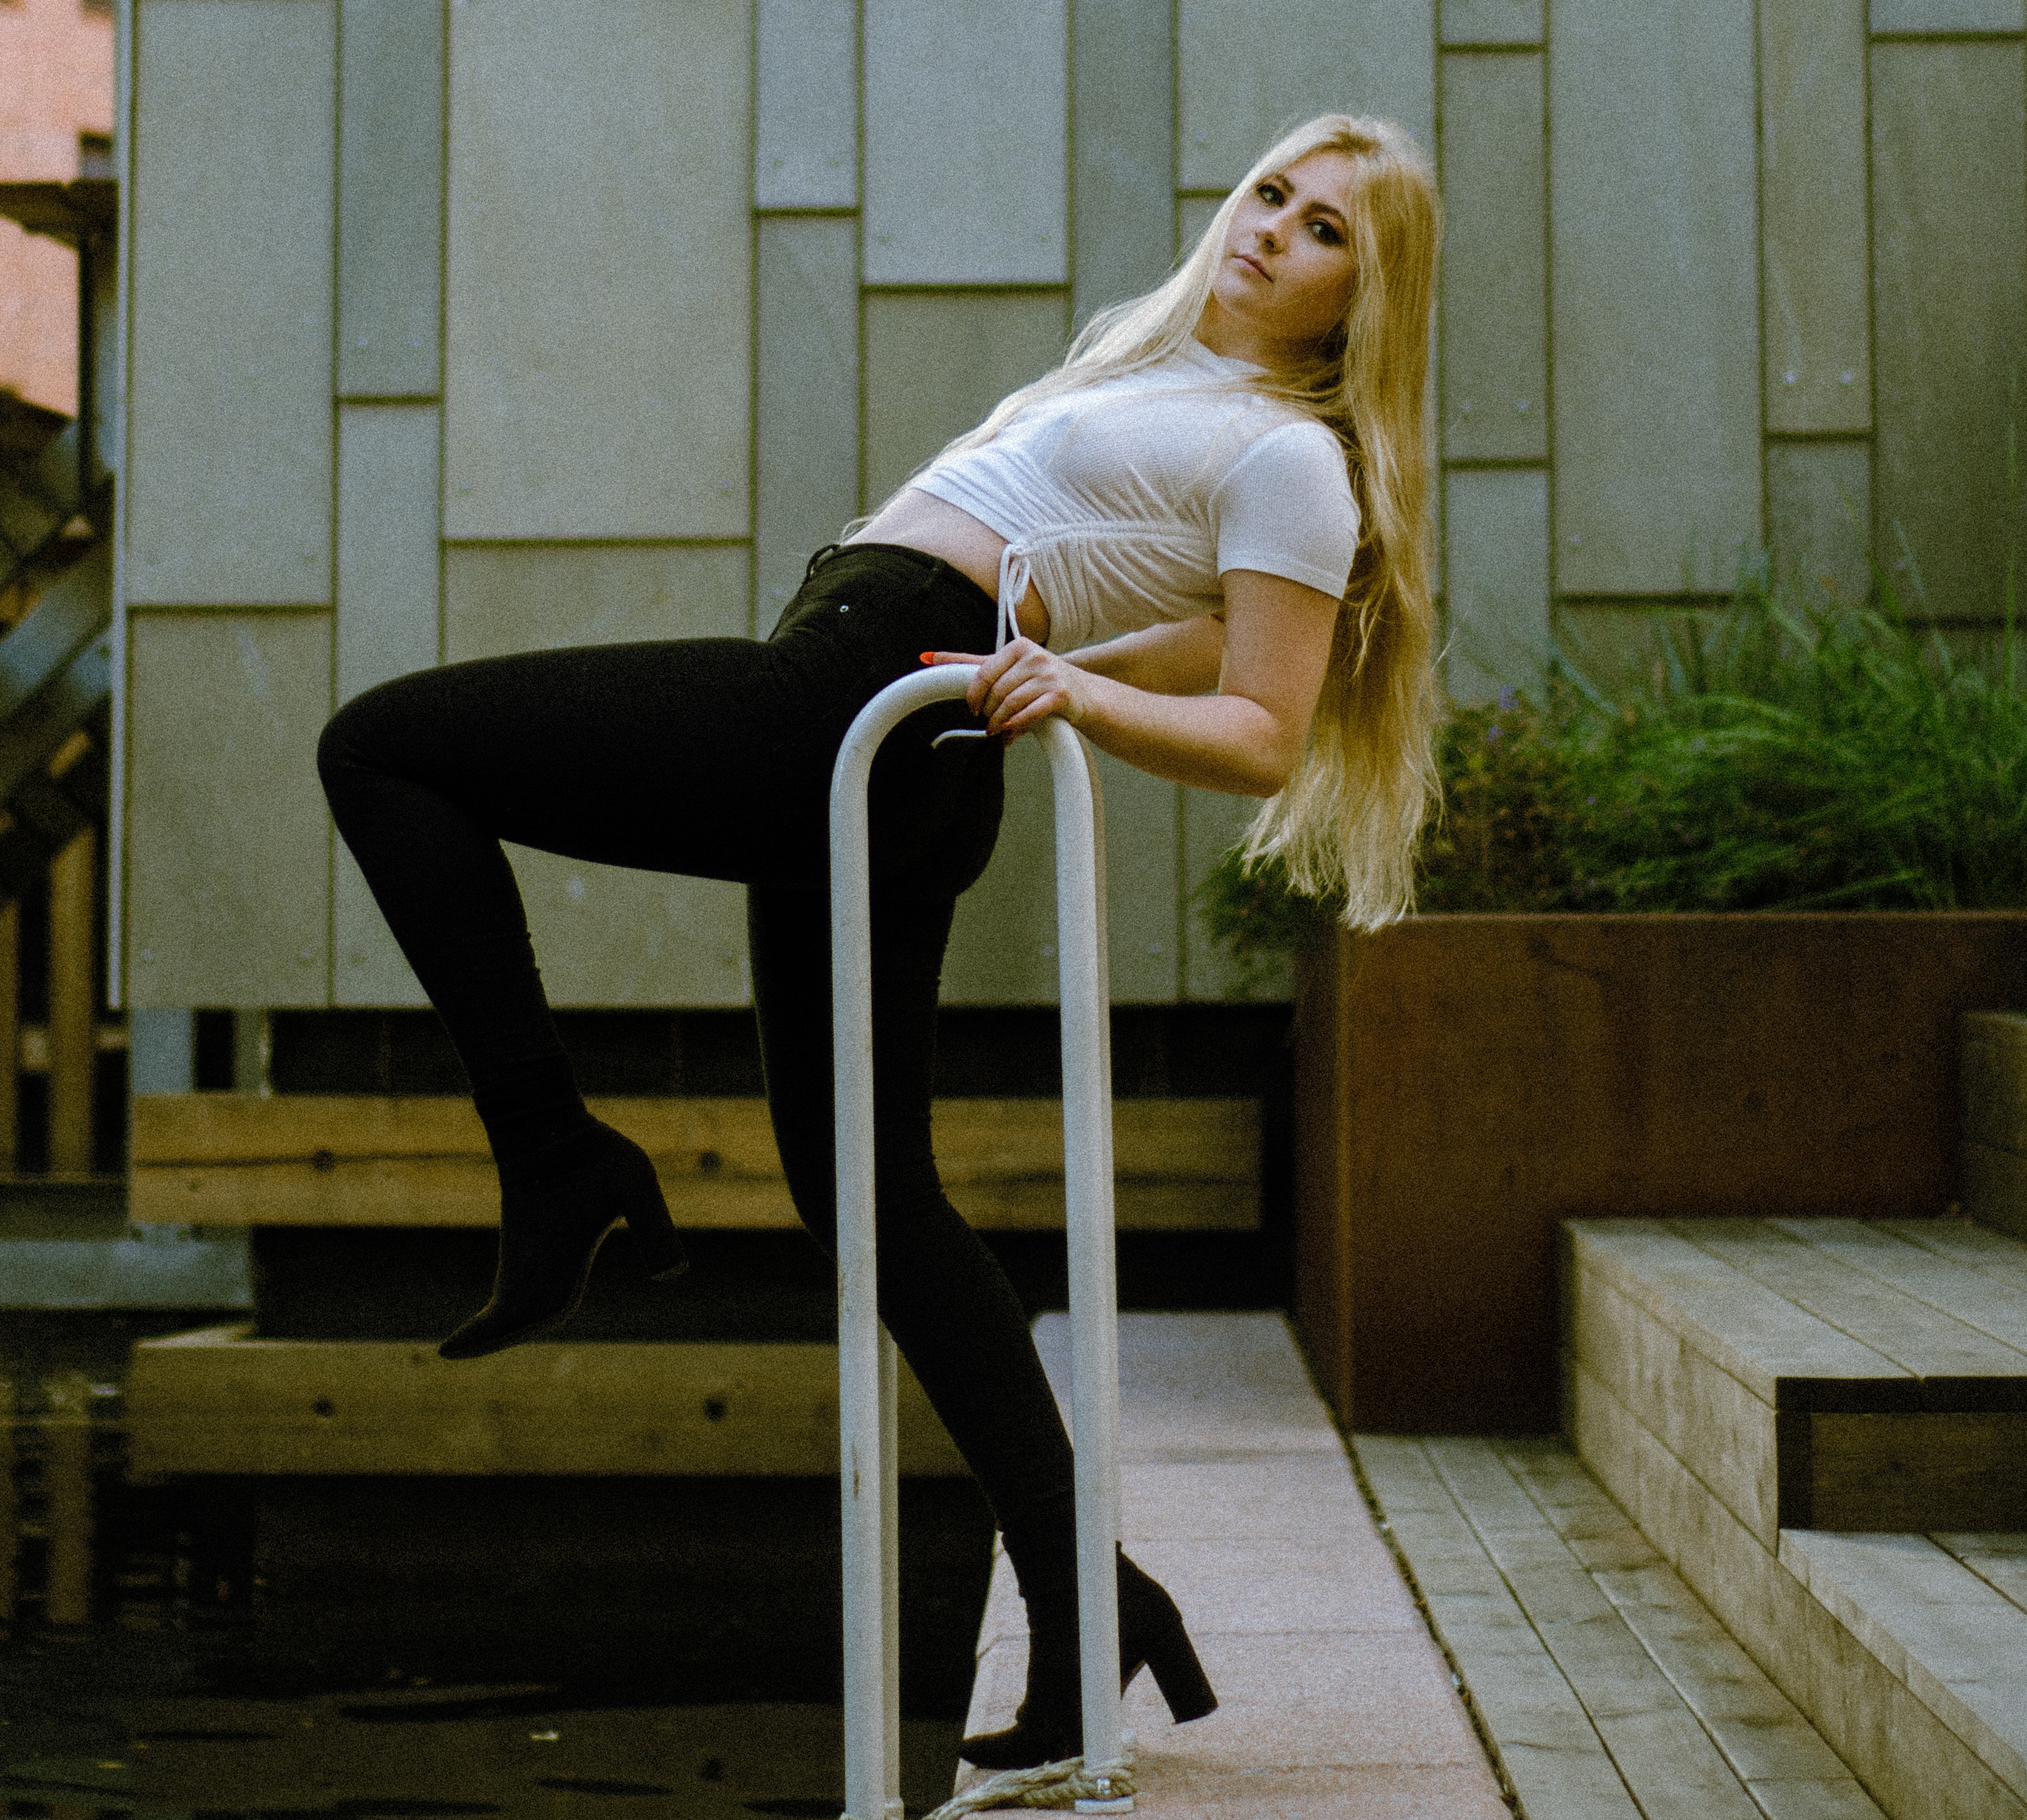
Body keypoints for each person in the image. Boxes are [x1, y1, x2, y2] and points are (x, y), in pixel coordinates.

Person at [315, 110, 1440, 1771]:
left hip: (858, 696)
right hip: (895, 720)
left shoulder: (1290, 452)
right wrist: (1075, 656)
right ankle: (1085, 1591)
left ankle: (556, 1155)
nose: (1273, 228)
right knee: (869, 1192)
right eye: (1271, 193)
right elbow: (1219, 618)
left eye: (1326, 228)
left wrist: (1086, 694)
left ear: (1365, 299)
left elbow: (1267, 724)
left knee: (382, 748)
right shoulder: (1167, 386)